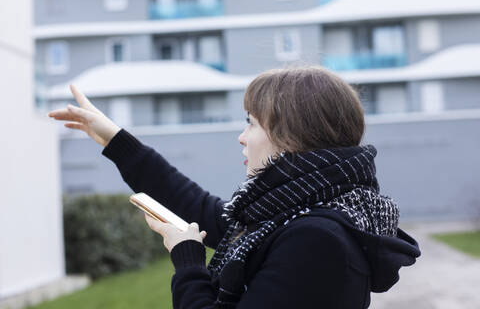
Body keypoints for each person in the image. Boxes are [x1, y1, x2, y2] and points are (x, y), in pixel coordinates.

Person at [48, 66, 421, 309]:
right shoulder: (295, 214)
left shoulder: (315, 238)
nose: (242, 138)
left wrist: (189, 262)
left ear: (292, 136)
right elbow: (199, 206)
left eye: (252, 124)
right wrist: (115, 140)